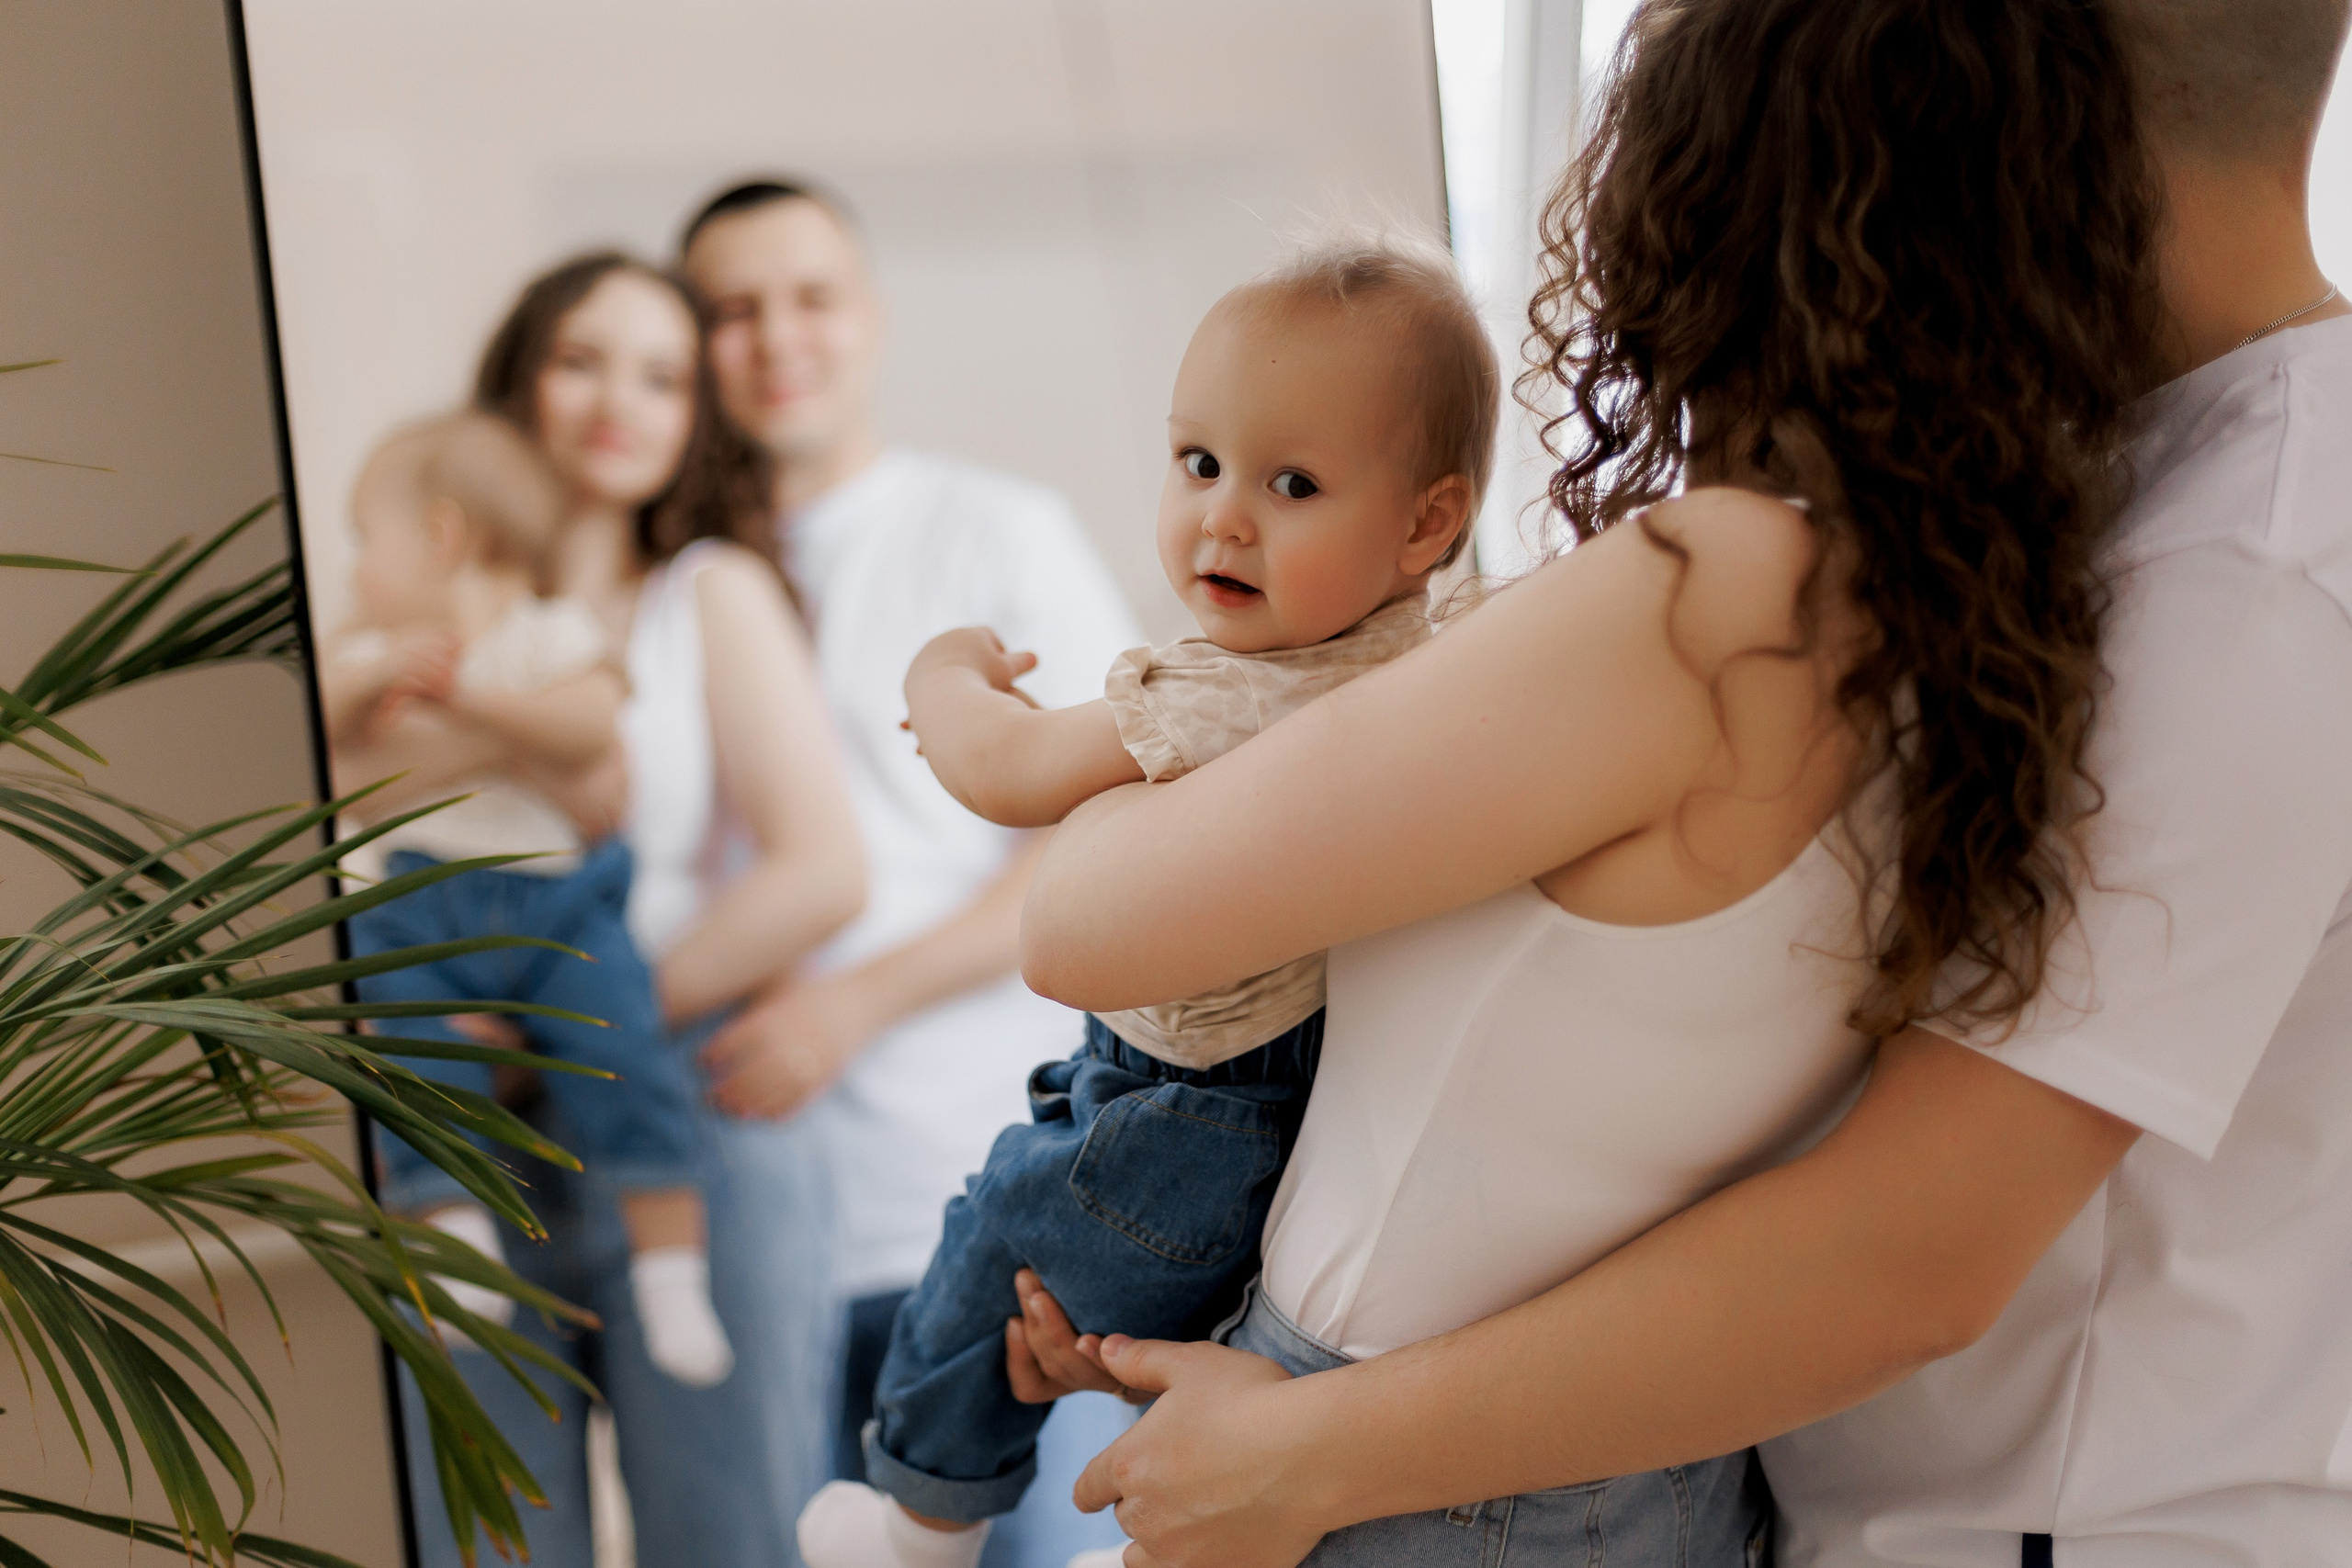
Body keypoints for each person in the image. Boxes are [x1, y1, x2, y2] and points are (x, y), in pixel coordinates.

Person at [994, 1, 2349, 1564]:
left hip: (2024, 1516)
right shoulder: (2006, 525)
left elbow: (1916, 1251)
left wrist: (1305, 1449)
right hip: (1712, 1470)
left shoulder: (2247, 565)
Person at [796, 237, 1497, 1568]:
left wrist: (947, 669)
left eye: (1291, 483)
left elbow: (1000, 769)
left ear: (1424, 520)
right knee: (1127, 1315)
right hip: (1279, 1105)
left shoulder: (1225, 692)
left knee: (991, 1238)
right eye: (1200, 463)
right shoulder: (1430, 657)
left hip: (1187, 1097)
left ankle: (918, 1519)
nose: (1225, 518)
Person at [341, 251, 866, 1568]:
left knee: (728, 1539)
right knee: (492, 1543)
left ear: (699, 414)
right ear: (517, 379)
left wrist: (563, 1030)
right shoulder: (398, 599)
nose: (614, 401)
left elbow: (820, 869)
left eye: (663, 374)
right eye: (579, 359)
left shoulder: (708, 592)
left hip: (680, 1100)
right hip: (457, 1138)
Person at [675, 180, 1145, 1566]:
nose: (776, 338)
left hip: (983, 1207)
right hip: (751, 1232)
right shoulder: (662, 575)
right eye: (731, 310)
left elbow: (1098, 835)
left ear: (867, 318)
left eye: (810, 297)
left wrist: (852, 1002)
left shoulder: (996, 531)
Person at [327, 409, 734, 1392]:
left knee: (630, 1059)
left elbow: (592, 724)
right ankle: (456, 1234)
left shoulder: (552, 633)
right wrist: (376, 674)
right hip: (419, 901)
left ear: (441, 536)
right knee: (411, 1061)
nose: (354, 570)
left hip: (561, 904)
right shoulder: (374, 648)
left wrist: (469, 704)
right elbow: (329, 744)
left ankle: (671, 1271)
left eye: (364, 541)